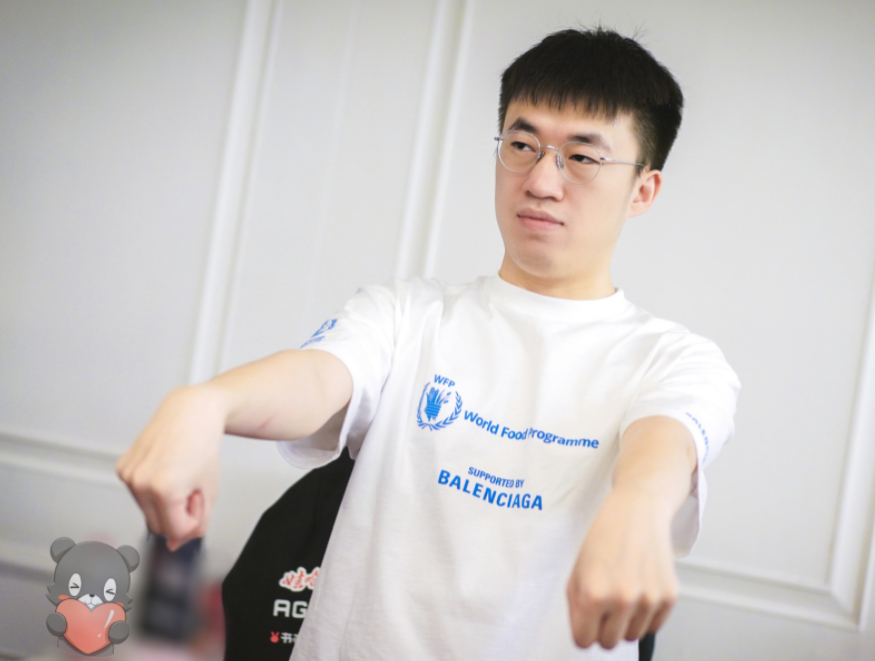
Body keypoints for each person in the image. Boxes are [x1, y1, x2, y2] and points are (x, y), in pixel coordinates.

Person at [117, 27, 740, 660]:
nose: (540, 180)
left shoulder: (675, 361)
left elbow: (664, 445)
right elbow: (317, 378)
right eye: (521, 145)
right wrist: (205, 403)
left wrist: (637, 508)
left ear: (642, 190)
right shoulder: (406, 315)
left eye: (582, 158)